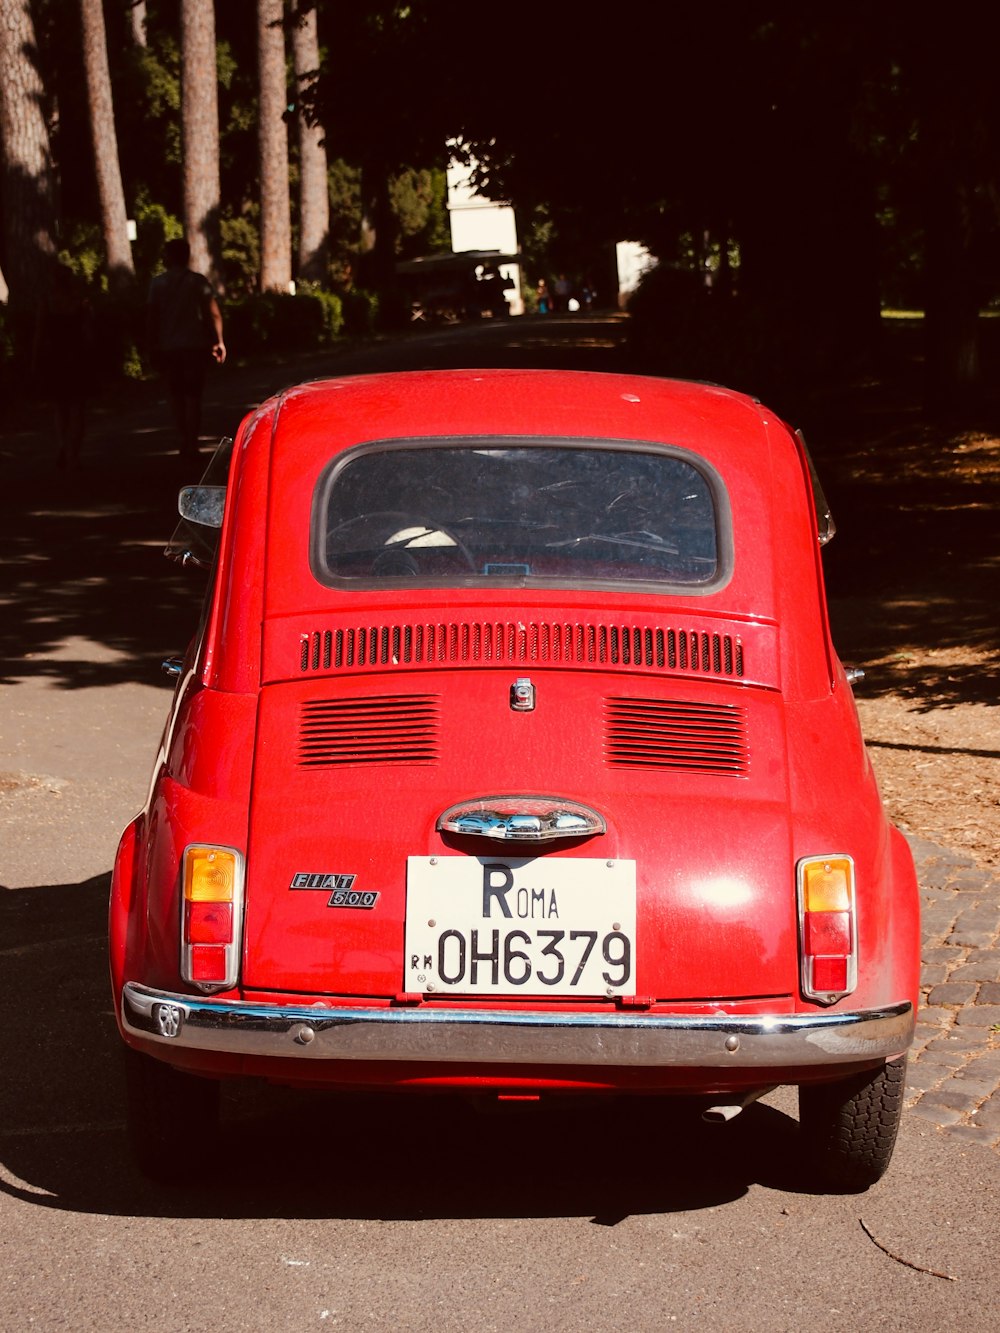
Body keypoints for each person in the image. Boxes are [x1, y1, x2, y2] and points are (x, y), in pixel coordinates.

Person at [147, 238, 226, 461]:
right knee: (193, 396)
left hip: (169, 347)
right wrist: (218, 341)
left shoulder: (157, 284)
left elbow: (151, 318)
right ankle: (192, 439)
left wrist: (151, 345)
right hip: (194, 346)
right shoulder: (197, 282)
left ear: (169, 257)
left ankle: (183, 437)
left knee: (176, 396)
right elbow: (214, 313)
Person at [32, 261, 94, 471]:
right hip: (77, 357)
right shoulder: (79, 302)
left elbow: (40, 333)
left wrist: (36, 358)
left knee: (60, 407)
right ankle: (73, 453)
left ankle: (62, 445)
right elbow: (88, 333)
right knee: (77, 407)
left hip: (55, 357)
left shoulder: (47, 302)